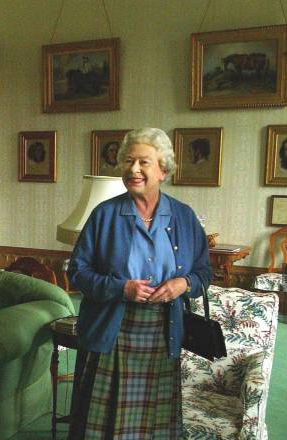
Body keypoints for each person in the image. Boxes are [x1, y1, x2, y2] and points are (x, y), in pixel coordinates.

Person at [67, 127, 212, 439]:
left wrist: (183, 284)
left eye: (144, 162)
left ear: (163, 170)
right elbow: (77, 272)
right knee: (102, 424)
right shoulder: (104, 214)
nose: (134, 169)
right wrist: (121, 288)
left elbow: (204, 272)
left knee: (152, 425)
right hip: (111, 329)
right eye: (128, 161)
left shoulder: (184, 217)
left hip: (163, 332)